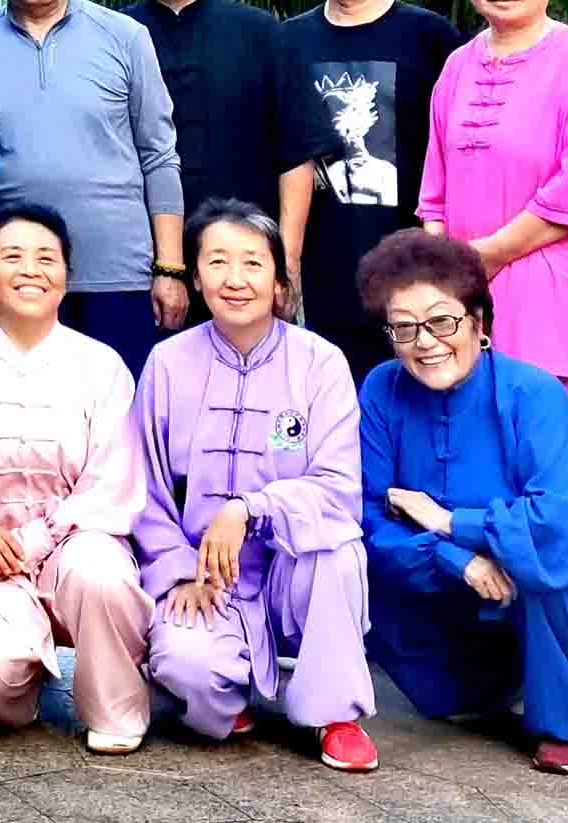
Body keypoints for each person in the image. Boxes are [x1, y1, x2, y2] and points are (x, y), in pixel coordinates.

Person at [357, 229, 568, 777]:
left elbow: (557, 524)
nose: (425, 342)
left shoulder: (532, 392)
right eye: (404, 327)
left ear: (479, 320)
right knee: (356, 559)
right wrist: (458, 557)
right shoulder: (383, 389)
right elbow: (366, 511)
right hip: (472, 567)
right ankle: (496, 681)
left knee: (544, 565)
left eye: (442, 321)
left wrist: (452, 522)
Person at [133, 201, 376, 771]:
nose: (235, 279)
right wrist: (176, 571)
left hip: (293, 565)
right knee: (187, 667)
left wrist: (250, 508)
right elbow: (142, 487)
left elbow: (338, 490)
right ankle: (226, 690)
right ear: (196, 278)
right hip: (204, 575)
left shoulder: (320, 363)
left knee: (338, 551)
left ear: (279, 280)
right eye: (217, 262)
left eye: (252, 263)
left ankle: (334, 713)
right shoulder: (167, 363)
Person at [0, 202, 150, 753]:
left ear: (67, 273)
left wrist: (32, 542)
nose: (30, 270)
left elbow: (111, 485)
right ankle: (20, 680)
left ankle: (113, 706)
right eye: (12, 256)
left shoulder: (102, 366)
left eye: (46, 258)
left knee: (102, 575)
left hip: (73, 545)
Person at [419, 0, 568, 482]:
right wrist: (445, 272)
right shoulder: (457, 66)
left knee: (555, 446)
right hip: (465, 292)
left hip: (552, 284)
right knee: (478, 441)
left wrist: (485, 255)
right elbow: (434, 190)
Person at [0, 0, 184, 377]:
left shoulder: (124, 37)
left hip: (118, 275)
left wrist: (170, 267)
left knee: (121, 412)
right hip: (18, 277)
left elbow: (159, 155)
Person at [273, 0, 461, 382]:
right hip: (324, 265)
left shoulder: (431, 37)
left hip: (412, 260)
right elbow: (283, 151)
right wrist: (287, 262)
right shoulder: (287, 42)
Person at [119, 0, 285, 214]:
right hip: (139, 231)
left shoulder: (260, 31)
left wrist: (288, 244)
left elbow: (295, 150)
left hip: (245, 233)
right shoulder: (114, 35)